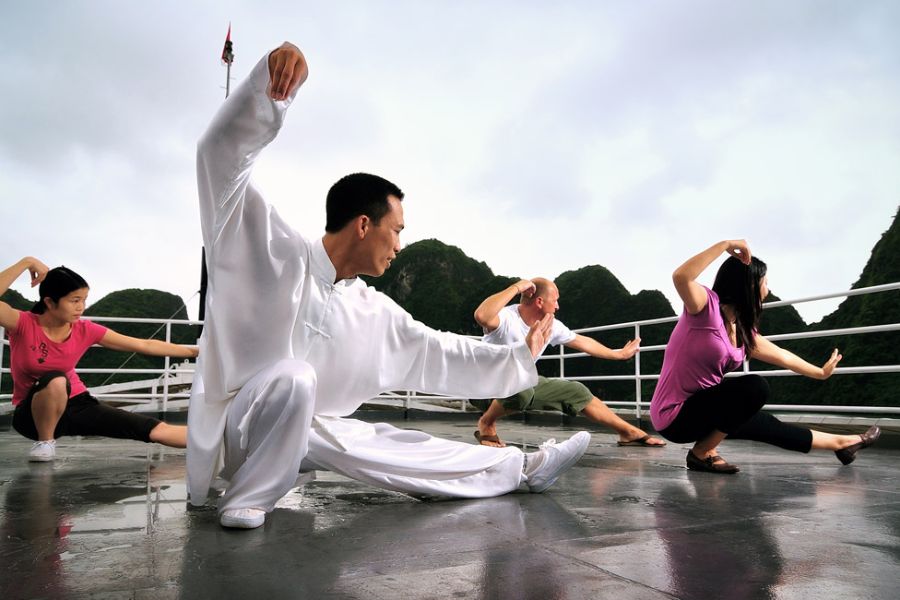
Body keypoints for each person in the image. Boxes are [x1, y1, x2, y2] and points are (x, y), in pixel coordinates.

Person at [188, 41, 591, 530]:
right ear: (364, 224)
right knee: (294, 379)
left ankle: (520, 467)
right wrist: (266, 99)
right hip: (239, 432)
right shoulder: (267, 247)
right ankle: (245, 501)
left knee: (385, 439)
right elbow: (218, 159)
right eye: (397, 229)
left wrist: (518, 356)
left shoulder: (371, 310)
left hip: (311, 435)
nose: (400, 244)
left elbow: (440, 352)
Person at [650, 240, 880, 474]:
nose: (768, 290)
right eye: (765, 282)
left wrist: (820, 373)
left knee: (768, 425)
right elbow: (681, 277)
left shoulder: (743, 331)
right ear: (749, 285)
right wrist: (725, 245)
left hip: (708, 410)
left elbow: (783, 356)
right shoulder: (705, 309)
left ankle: (843, 445)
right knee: (754, 387)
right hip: (674, 416)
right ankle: (702, 453)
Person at [0, 257, 196, 462]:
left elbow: (143, 345)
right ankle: (45, 442)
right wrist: (26, 262)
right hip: (31, 416)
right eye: (74, 300)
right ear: (49, 302)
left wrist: (196, 352)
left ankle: (221, 439)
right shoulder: (22, 323)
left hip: (77, 405)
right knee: (56, 380)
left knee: (156, 430)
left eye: (84, 299)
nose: (81, 307)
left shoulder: (85, 329)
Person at [473, 278, 666, 448]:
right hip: (485, 387)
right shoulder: (507, 317)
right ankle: (487, 423)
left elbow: (582, 342)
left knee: (576, 391)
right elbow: (481, 315)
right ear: (539, 301)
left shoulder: (551, 324)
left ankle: (628, 433)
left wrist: (619, 355)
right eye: (555, 300)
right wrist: (517, 286)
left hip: (521, 382)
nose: (557, 306)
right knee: (523, 389)